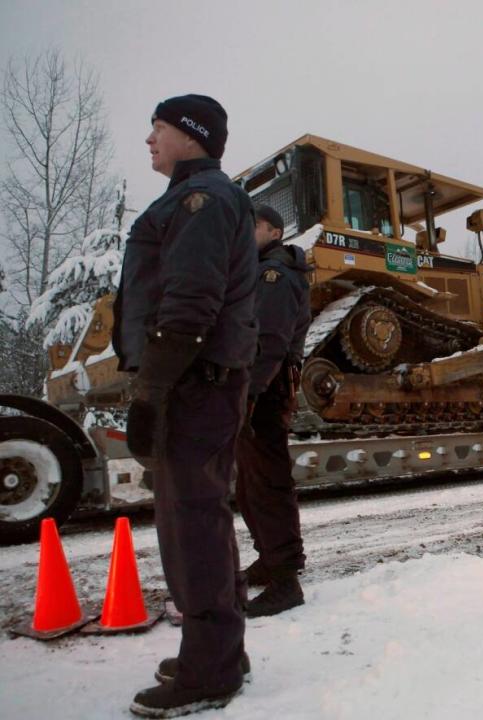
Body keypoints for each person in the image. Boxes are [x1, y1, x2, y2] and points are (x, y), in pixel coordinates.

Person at [113, 94, 258, 718]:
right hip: (201, 379)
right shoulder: (203, 198)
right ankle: (220, 651)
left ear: (192, 136)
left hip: (192, 380)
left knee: (190, 522)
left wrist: (153, 390)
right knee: (203, 515)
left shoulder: (200, 199)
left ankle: (210, 670)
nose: (149, 139)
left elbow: (190, 299)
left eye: (160, 128)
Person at [237, 204, 312, 617]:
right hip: (259, 385)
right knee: (252, 482)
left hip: (264, 386)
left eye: (254, 226)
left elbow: (268, 341)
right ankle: (273, 559)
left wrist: (248, 393)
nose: (246, 232)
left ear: (276, 232)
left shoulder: (275, 276)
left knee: (267, 481)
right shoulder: (261, 271)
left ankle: (285, 579)